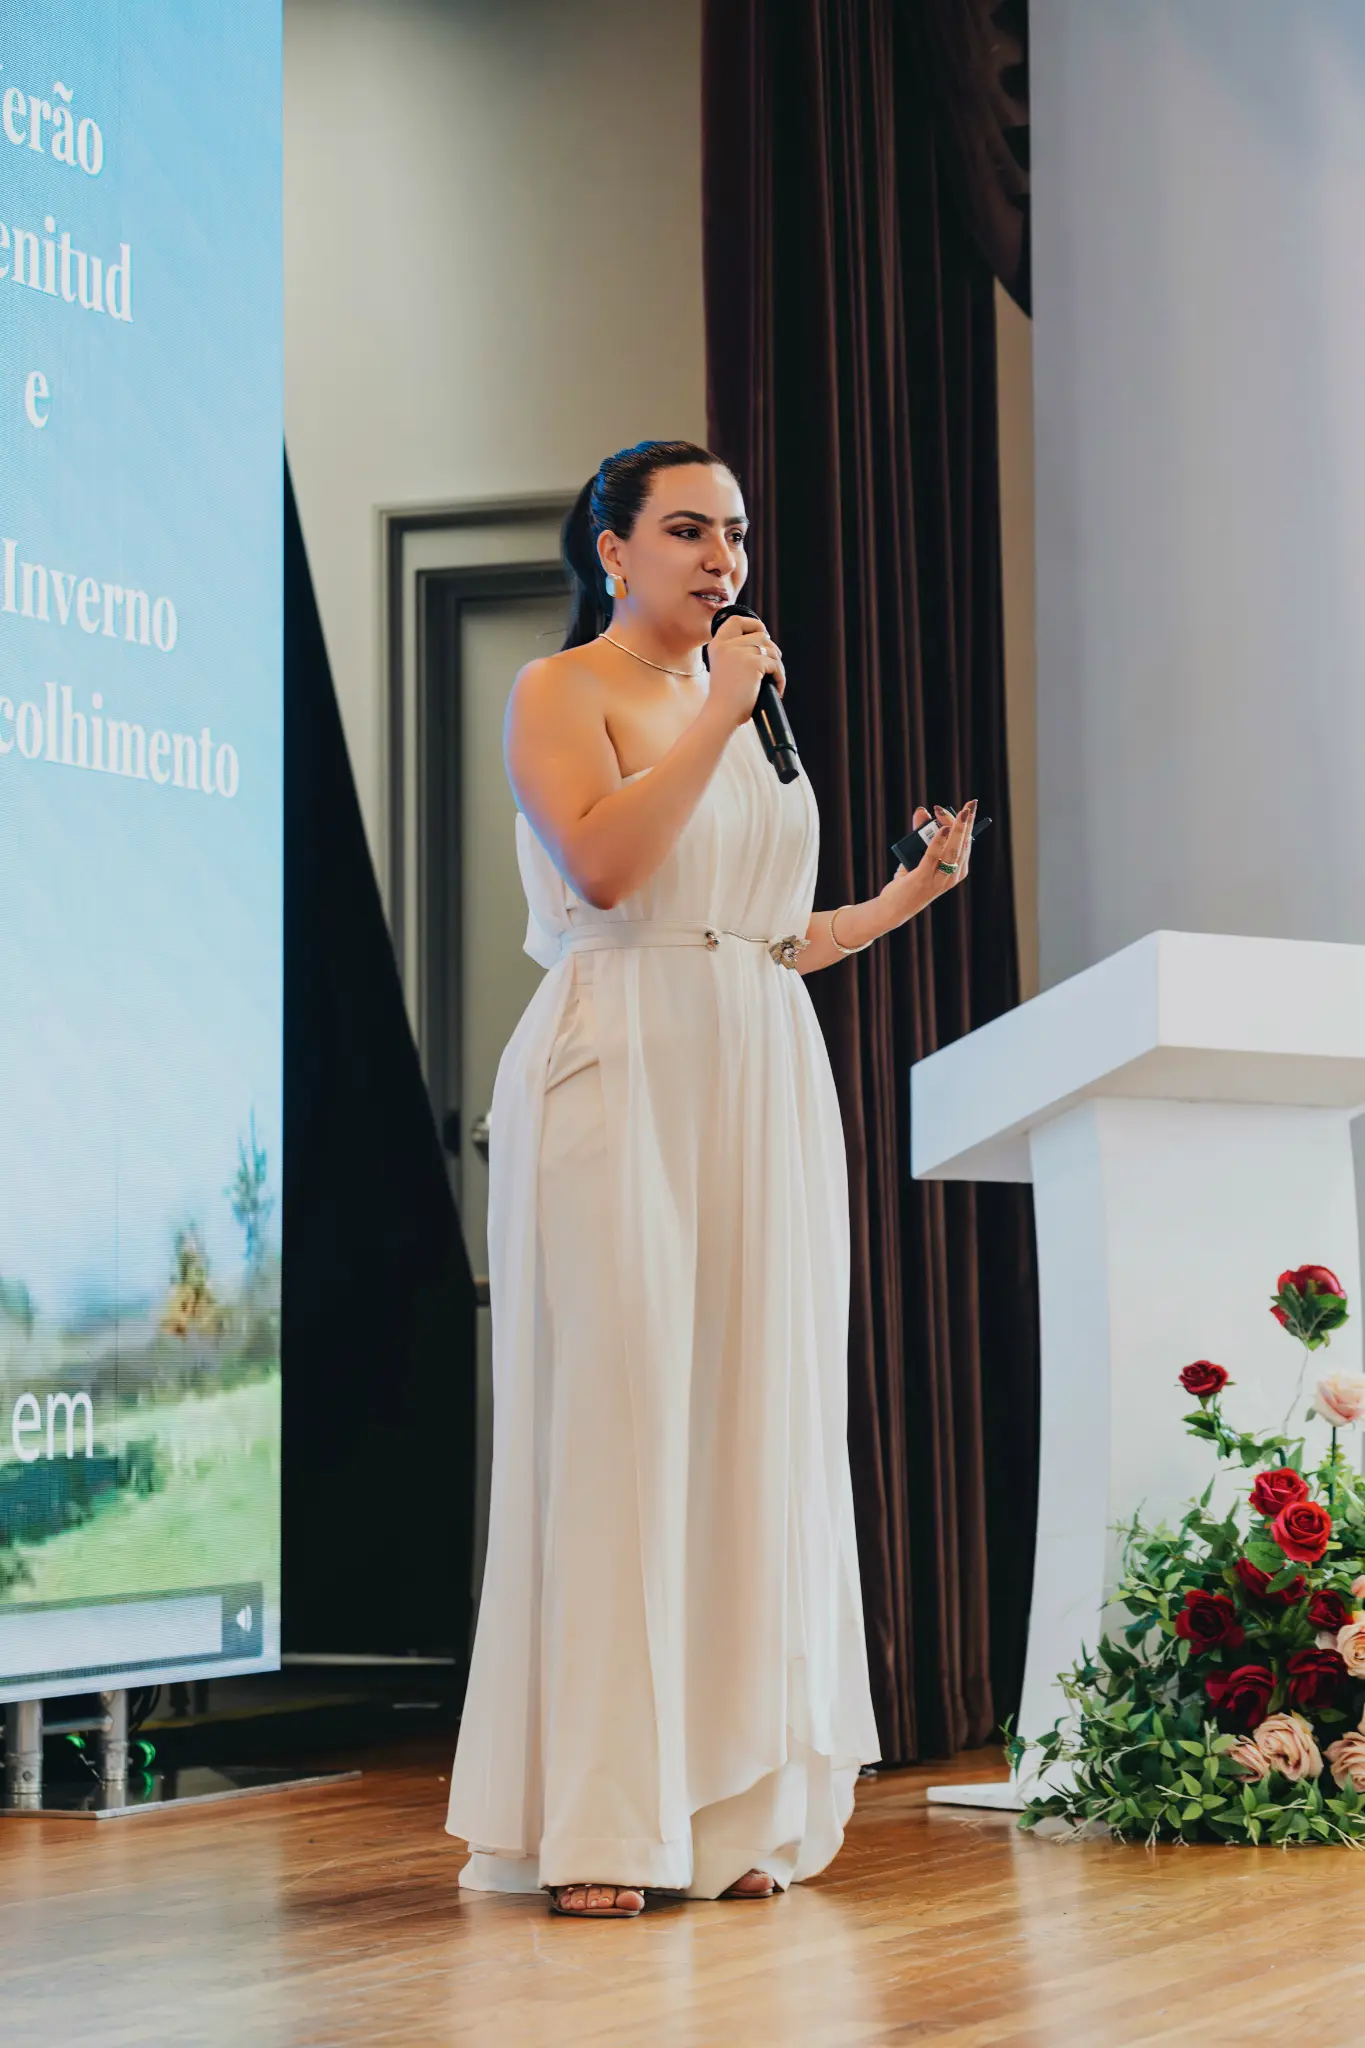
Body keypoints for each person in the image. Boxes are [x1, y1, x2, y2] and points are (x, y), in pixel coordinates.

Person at [446, 439, 976, 1918]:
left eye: (733, 534)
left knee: (756, 1422)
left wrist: (904, 896)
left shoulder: (737, 712)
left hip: (757, 1065)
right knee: (625, 1425)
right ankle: (608, 1824)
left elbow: (764, 931)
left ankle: (736, 1805)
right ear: (609, 548)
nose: (720, 560)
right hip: (621, 1065)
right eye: (685, 530)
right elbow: (611, 872)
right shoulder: (566, 691)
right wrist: (724, 710)